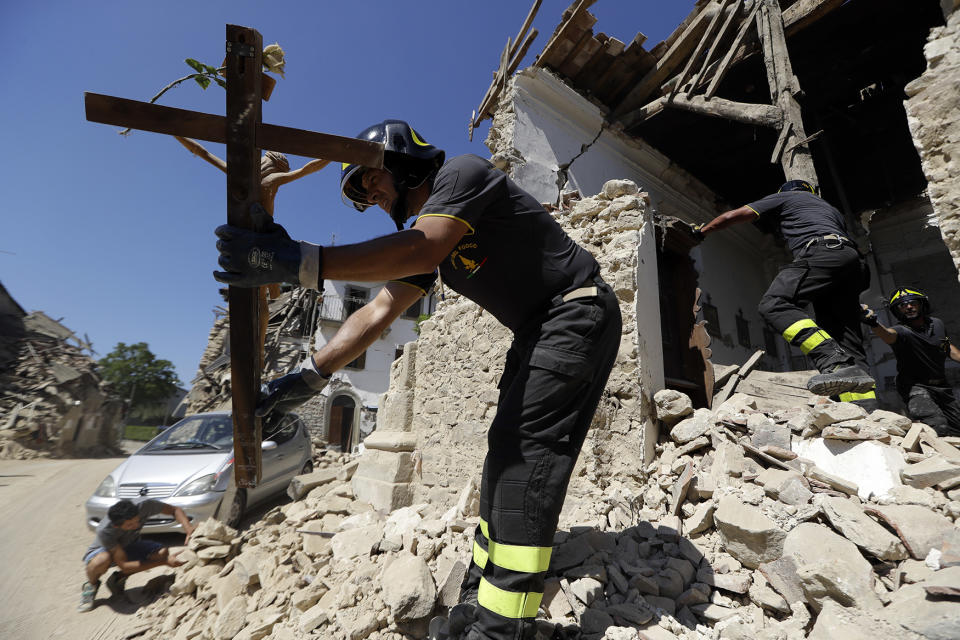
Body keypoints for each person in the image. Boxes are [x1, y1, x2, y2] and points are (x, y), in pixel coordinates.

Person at [213, 119, 622, 640]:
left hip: (576, 310)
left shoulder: (463, 175)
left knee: (527, 452)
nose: (373, 196)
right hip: (538, 328)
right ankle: (480, 597)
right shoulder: (428, 235)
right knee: (503, 454)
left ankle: (503, 627)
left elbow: (420, 249)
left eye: (370, 179)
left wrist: (299, 262)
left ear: (402, 159)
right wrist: (312, 374)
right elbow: (380, 309)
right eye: (361, 192)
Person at [697, 180, 875, 402]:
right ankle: (866, 409)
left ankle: (832, 358)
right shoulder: (831, 210)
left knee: (774, 304)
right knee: (844, 334)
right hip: (853, 264)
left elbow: (734, 215)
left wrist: (702, 231)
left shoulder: (788, 197)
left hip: (823, 252)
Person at [862, 287, 960, 436]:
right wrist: (873, 323)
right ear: (897, 311)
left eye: (912, 303)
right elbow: (888, 335)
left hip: (942, 386)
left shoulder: (937, 324)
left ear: (921, 304)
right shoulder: (901, 331)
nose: (908, 307)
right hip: (915, 386)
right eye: (902, 305)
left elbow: (946, 347)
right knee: (936, 425)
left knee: (957, 428)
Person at [78, 499, 194, 612]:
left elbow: (175, 510)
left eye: (137, 521)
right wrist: (164, 562)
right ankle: (91, 586)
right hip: (102, 551)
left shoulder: (144, 505)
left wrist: (188, 529)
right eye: (129, 525)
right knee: (101, 561)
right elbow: (124, 565)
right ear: (116, 526)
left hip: (128, 545)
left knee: (161, 553)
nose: (136, 525)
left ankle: (117, 580)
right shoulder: (105, 531)